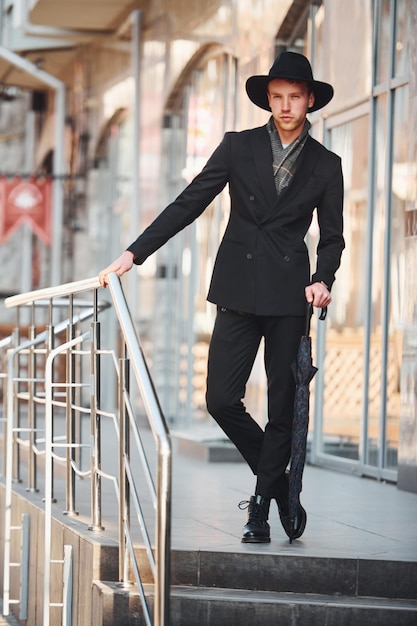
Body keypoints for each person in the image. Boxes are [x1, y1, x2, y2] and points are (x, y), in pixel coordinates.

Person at [99, 51, 344, 543]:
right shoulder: (238, 147)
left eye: (295, 97)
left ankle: (259, 506)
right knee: (220, 400)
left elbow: (333, 235)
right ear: (267, 100)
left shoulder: (326, 164)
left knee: (280, 405)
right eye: (277, 97)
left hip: (289, 296)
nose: (285, 106)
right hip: (235, 288)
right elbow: (190, 201)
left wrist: (324, 278)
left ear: (310, 99)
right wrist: (135, 252)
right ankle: (281, 487)